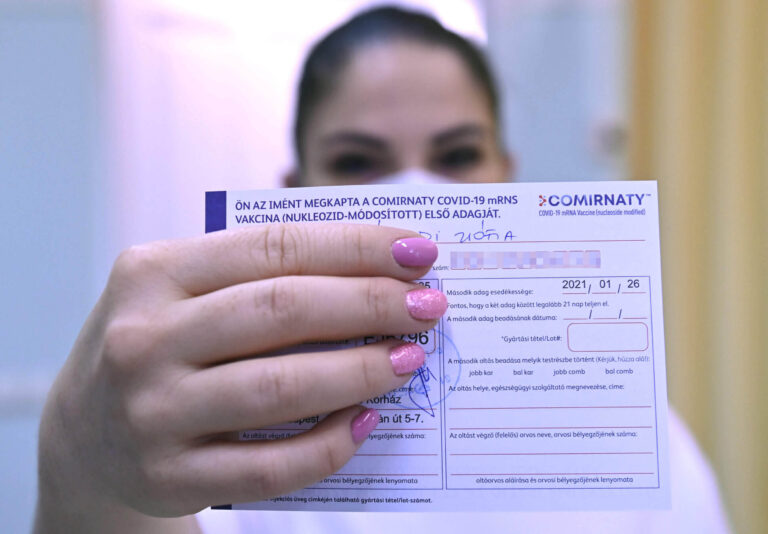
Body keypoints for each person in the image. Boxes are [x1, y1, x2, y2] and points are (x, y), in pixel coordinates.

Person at [34, 6, 731, 534]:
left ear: (506, 175)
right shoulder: (224, 432)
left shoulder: (636, 443)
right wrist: (82, 465)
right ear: (295, 192)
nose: (415, 192)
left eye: (457, 156)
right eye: (356, 162)